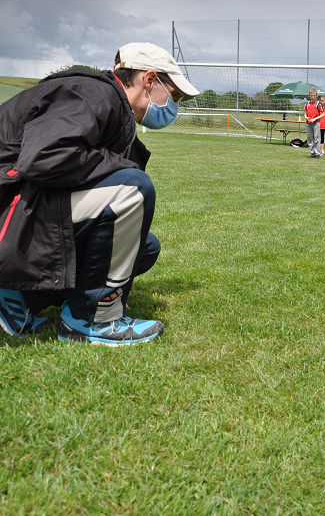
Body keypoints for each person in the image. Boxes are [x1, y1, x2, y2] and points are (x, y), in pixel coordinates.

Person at [0, 42, 200, 346]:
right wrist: (124, 169)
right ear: (149, 80)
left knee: (144, 247)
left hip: (21, 209)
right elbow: (44, 157)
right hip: (9, 212)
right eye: (174, 95)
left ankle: (14, 297)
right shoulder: (91, 93)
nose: (174, 106)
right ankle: (92, 319)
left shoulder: (110, 103)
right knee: (132, 189)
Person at [303, 89, 324, 159]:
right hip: (308, 123)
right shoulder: (307, 104)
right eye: (311, 95)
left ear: (316, 96)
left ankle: (317, 153)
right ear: (309, 96)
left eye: (314, 95)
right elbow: (305, 113)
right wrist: (306, 117)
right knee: (310, 138)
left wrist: (315, 119)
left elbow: (323, 114)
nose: (313, 97)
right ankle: (312, 152)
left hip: (316, 123)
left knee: (317, 138)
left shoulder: (318, 104)